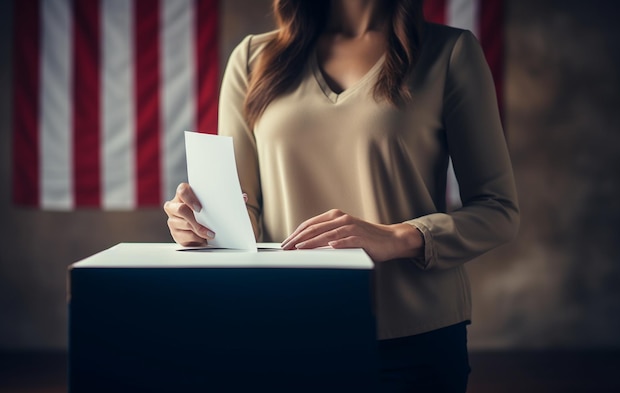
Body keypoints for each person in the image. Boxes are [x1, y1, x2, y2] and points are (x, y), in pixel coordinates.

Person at [164, 0, 519, 391]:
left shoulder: (450, 53)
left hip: (411, 339)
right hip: (282, 331)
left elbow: (498, 209)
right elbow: (242, 210)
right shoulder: (252, 58)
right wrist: (202, 225)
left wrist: (398, 236)